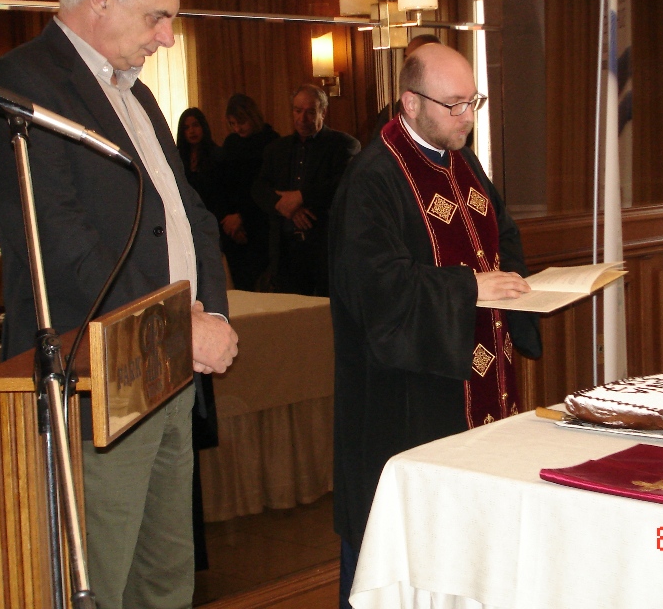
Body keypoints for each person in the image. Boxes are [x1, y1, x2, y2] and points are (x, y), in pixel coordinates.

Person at [0, 0, 238, 609]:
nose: (167, 37)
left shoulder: (135, 92)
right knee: (102, 582)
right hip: (95, 376)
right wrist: (177, 324)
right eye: (158, 17)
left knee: (166, 580)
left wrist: (209, 315)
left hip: (168, 370)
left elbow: (191, 215)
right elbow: (62, 244)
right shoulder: (19, 86)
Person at [328, 43, 542, 607]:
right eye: (454, 105)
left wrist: (520, 284)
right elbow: (376, 290)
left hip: (480, 380)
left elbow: (504, 235)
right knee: (407, 556)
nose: (467, 116)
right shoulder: (373, 178)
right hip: (407, 400)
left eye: (473, 102)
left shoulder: (462, 161)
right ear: (410, 102)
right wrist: (469, 288)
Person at [252, 84, 359, 296]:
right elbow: (258, 188)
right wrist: (287, 207)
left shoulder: (343, 144)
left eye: (310, 112)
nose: (302, 118)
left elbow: (344, 184)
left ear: (323, 112)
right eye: (297, 110)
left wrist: (300, 197)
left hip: (326, 248)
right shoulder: (276, 149)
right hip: (285, 251)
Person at [216, 93, 278, 290]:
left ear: (253, 117)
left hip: (260, 224)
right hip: (233, 227)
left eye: (241, 122)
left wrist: (243, 217)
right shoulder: (231, 143)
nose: (237, 128)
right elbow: (222, 186)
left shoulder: (270, 142)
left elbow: (266, 188)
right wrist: (229, 220)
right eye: (232, 123)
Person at [176, 106, 223, 217]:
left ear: (203, 127)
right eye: (186, 128)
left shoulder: (217, 154)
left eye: (195, 125)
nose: (192, 131)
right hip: (187, 214)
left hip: (213, 213)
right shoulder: (178, 158)